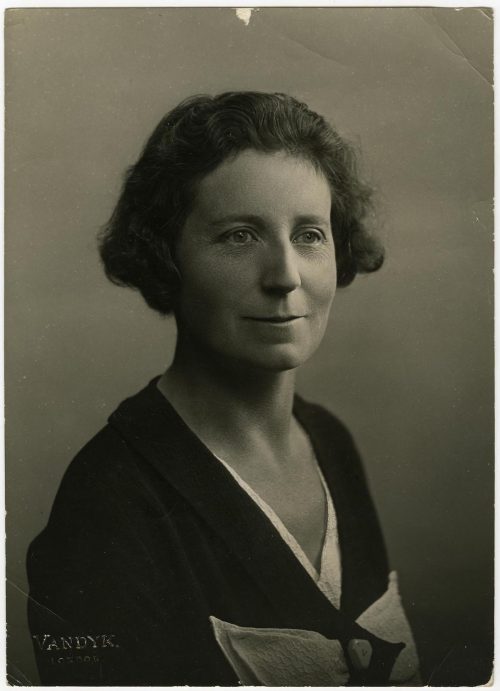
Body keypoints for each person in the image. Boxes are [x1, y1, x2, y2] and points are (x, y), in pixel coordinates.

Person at [27, 91, 420, 685]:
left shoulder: (332, 443)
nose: (284, 276)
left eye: (309, 235)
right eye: (240, 236)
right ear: (166, 256)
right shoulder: (109, 503)